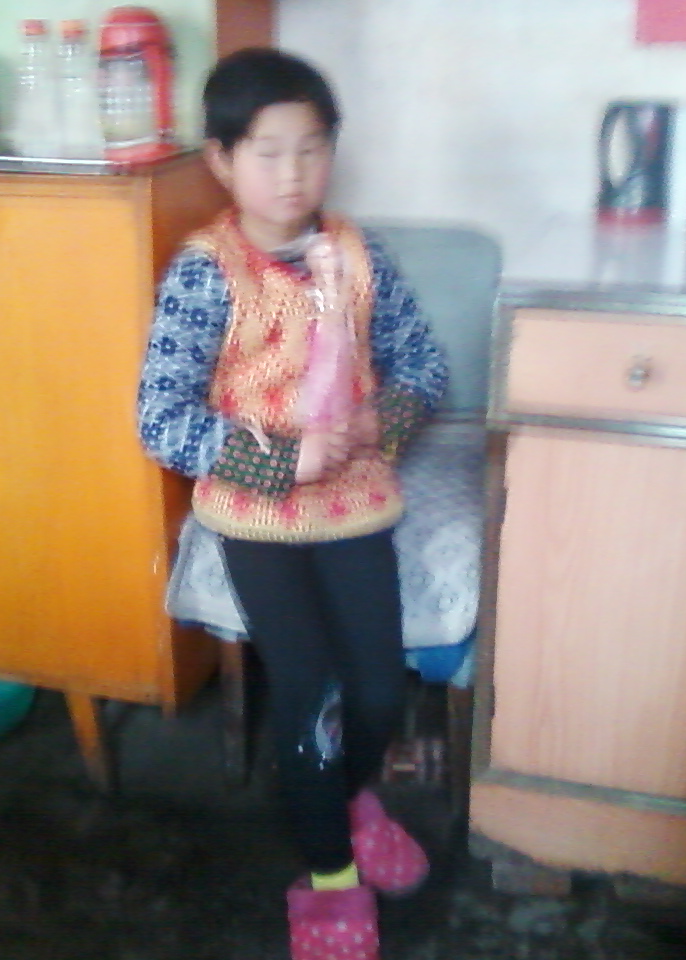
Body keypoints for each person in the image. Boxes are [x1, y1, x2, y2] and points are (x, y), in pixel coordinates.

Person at [137, 47, 447, 960]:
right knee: (310, 693)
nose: (292, 173)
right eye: (268, 152)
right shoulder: (205, 274)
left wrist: (381, 421)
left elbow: (424, 365)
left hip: (356, 504)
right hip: (257, 517)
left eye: (311, 148)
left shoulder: (358, 254)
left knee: (379, 689)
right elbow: (160, 419)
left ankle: (347, 803)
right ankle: (329, 876)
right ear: (221, 160)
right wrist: (283, 458)